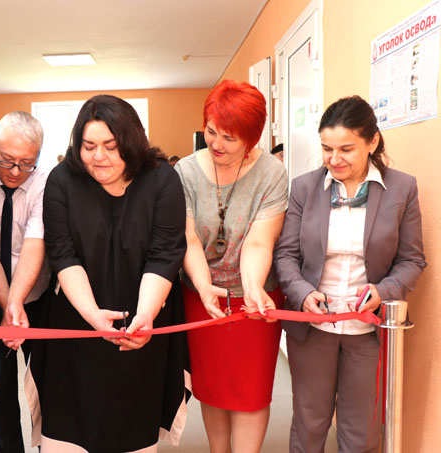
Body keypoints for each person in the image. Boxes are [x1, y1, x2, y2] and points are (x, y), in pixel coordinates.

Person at [27, 94, 189, 452]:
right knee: (69, 429)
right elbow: (63, 255)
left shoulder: (162, 180)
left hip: (141, 322)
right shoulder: (62, 181)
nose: (98, 156)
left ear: (131, 143)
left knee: (131, 429)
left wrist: (145, 316)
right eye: (88, 146)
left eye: (111, 147)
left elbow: (164, 255)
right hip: (75, 321)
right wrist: (91, 315)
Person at [274, 95, 426, 452]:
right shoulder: (304, 187)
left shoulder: (401, 188)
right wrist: (302, 293)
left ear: (372, 142)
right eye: (327, 149)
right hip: (313, 328)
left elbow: (412, 260)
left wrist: (384, 291)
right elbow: (286, 255)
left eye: (346, 149)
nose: (334, 159)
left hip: (369, 330)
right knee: (309, 424)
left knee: (361, 432)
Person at [174, 79, 288, 452]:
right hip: (201, 294)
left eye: (229, 138)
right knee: (212, 387)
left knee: (251, 392)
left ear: (252, 139)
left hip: (256, 297)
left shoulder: (272, 173)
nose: (216, 144)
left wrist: (252, 288)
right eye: (211, 132)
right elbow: (189, 238)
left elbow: (259, 240)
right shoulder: (186, 172)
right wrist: (203, 284)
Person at [0, 111, 50, 453]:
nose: (16, 172)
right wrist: (8, 307)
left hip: (39, 297)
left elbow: (35, 242)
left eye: (26, 163)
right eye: (6, 160)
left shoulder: (46, 182)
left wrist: (17, 304)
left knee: (46, 384)